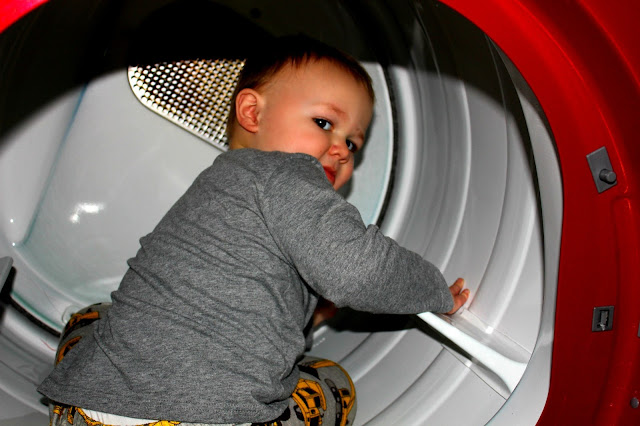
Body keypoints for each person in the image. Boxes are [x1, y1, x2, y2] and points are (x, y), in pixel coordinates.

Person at [38, 35, 470, 426]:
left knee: (94, 316)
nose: (341, 150)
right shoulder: (288, 175)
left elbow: (240, 304)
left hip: (84, 408)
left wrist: (315, 313)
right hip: (207, 420)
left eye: (353, 143)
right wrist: (435, 292)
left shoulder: (220, 185)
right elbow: (359, 271)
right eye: (324, 123)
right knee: (332, 383)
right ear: (251, 112)